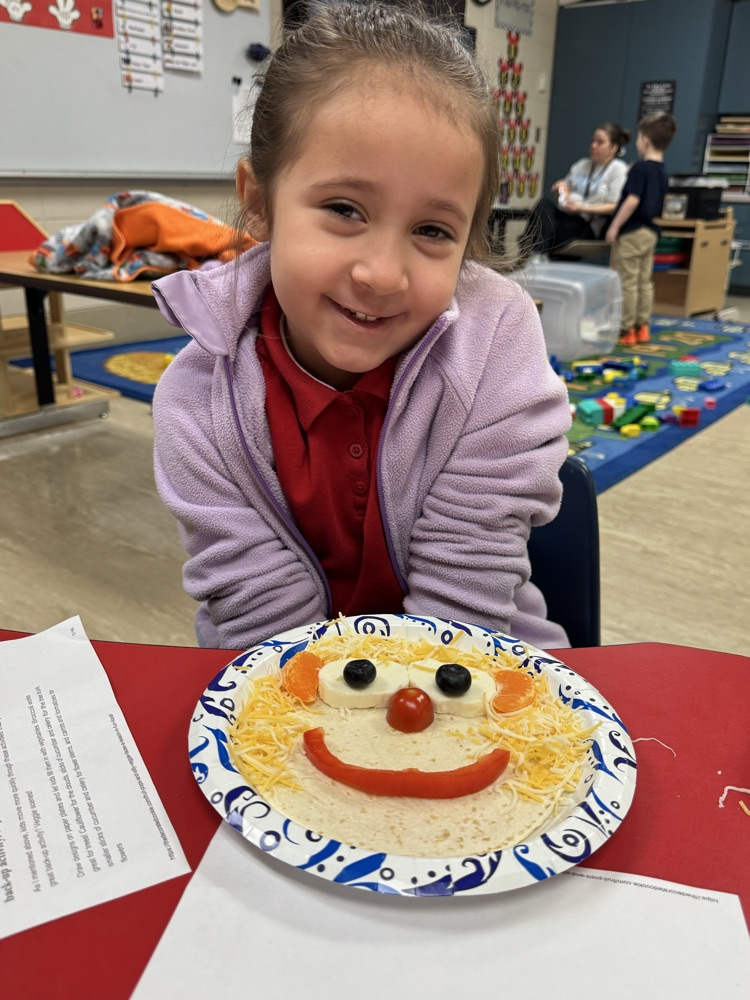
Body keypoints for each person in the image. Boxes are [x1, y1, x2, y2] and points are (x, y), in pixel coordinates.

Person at [150, 2, 572, 652]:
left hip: (475, 665)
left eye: (432, 231)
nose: (381, 274)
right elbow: (264, 630)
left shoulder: (495, 344)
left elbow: (463, 608)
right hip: (286, 683)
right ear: (260, 204)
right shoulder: (195, 403)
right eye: (345, 209)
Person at [606, 111, 677, 345]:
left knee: (627, 280)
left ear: (644, 140)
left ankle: (626, 330)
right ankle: (642, 326)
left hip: (633, 231)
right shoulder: (661, 170)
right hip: (650, 232)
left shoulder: (640, 169)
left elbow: (632, 200)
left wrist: (615, 226)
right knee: (644, 281)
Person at [523, 123, 631, 256]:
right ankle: (537, 256)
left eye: (600, 142)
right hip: (567, 214)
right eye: (593, 141)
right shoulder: (581, 165)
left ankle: (535, 256)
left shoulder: (618, 169)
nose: (593, 146)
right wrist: (561, 191)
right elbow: (566, 192)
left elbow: (615, 205)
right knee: (543, 206)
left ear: (614, 147)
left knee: (547, 231)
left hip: (587, 222)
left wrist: (582, 208)